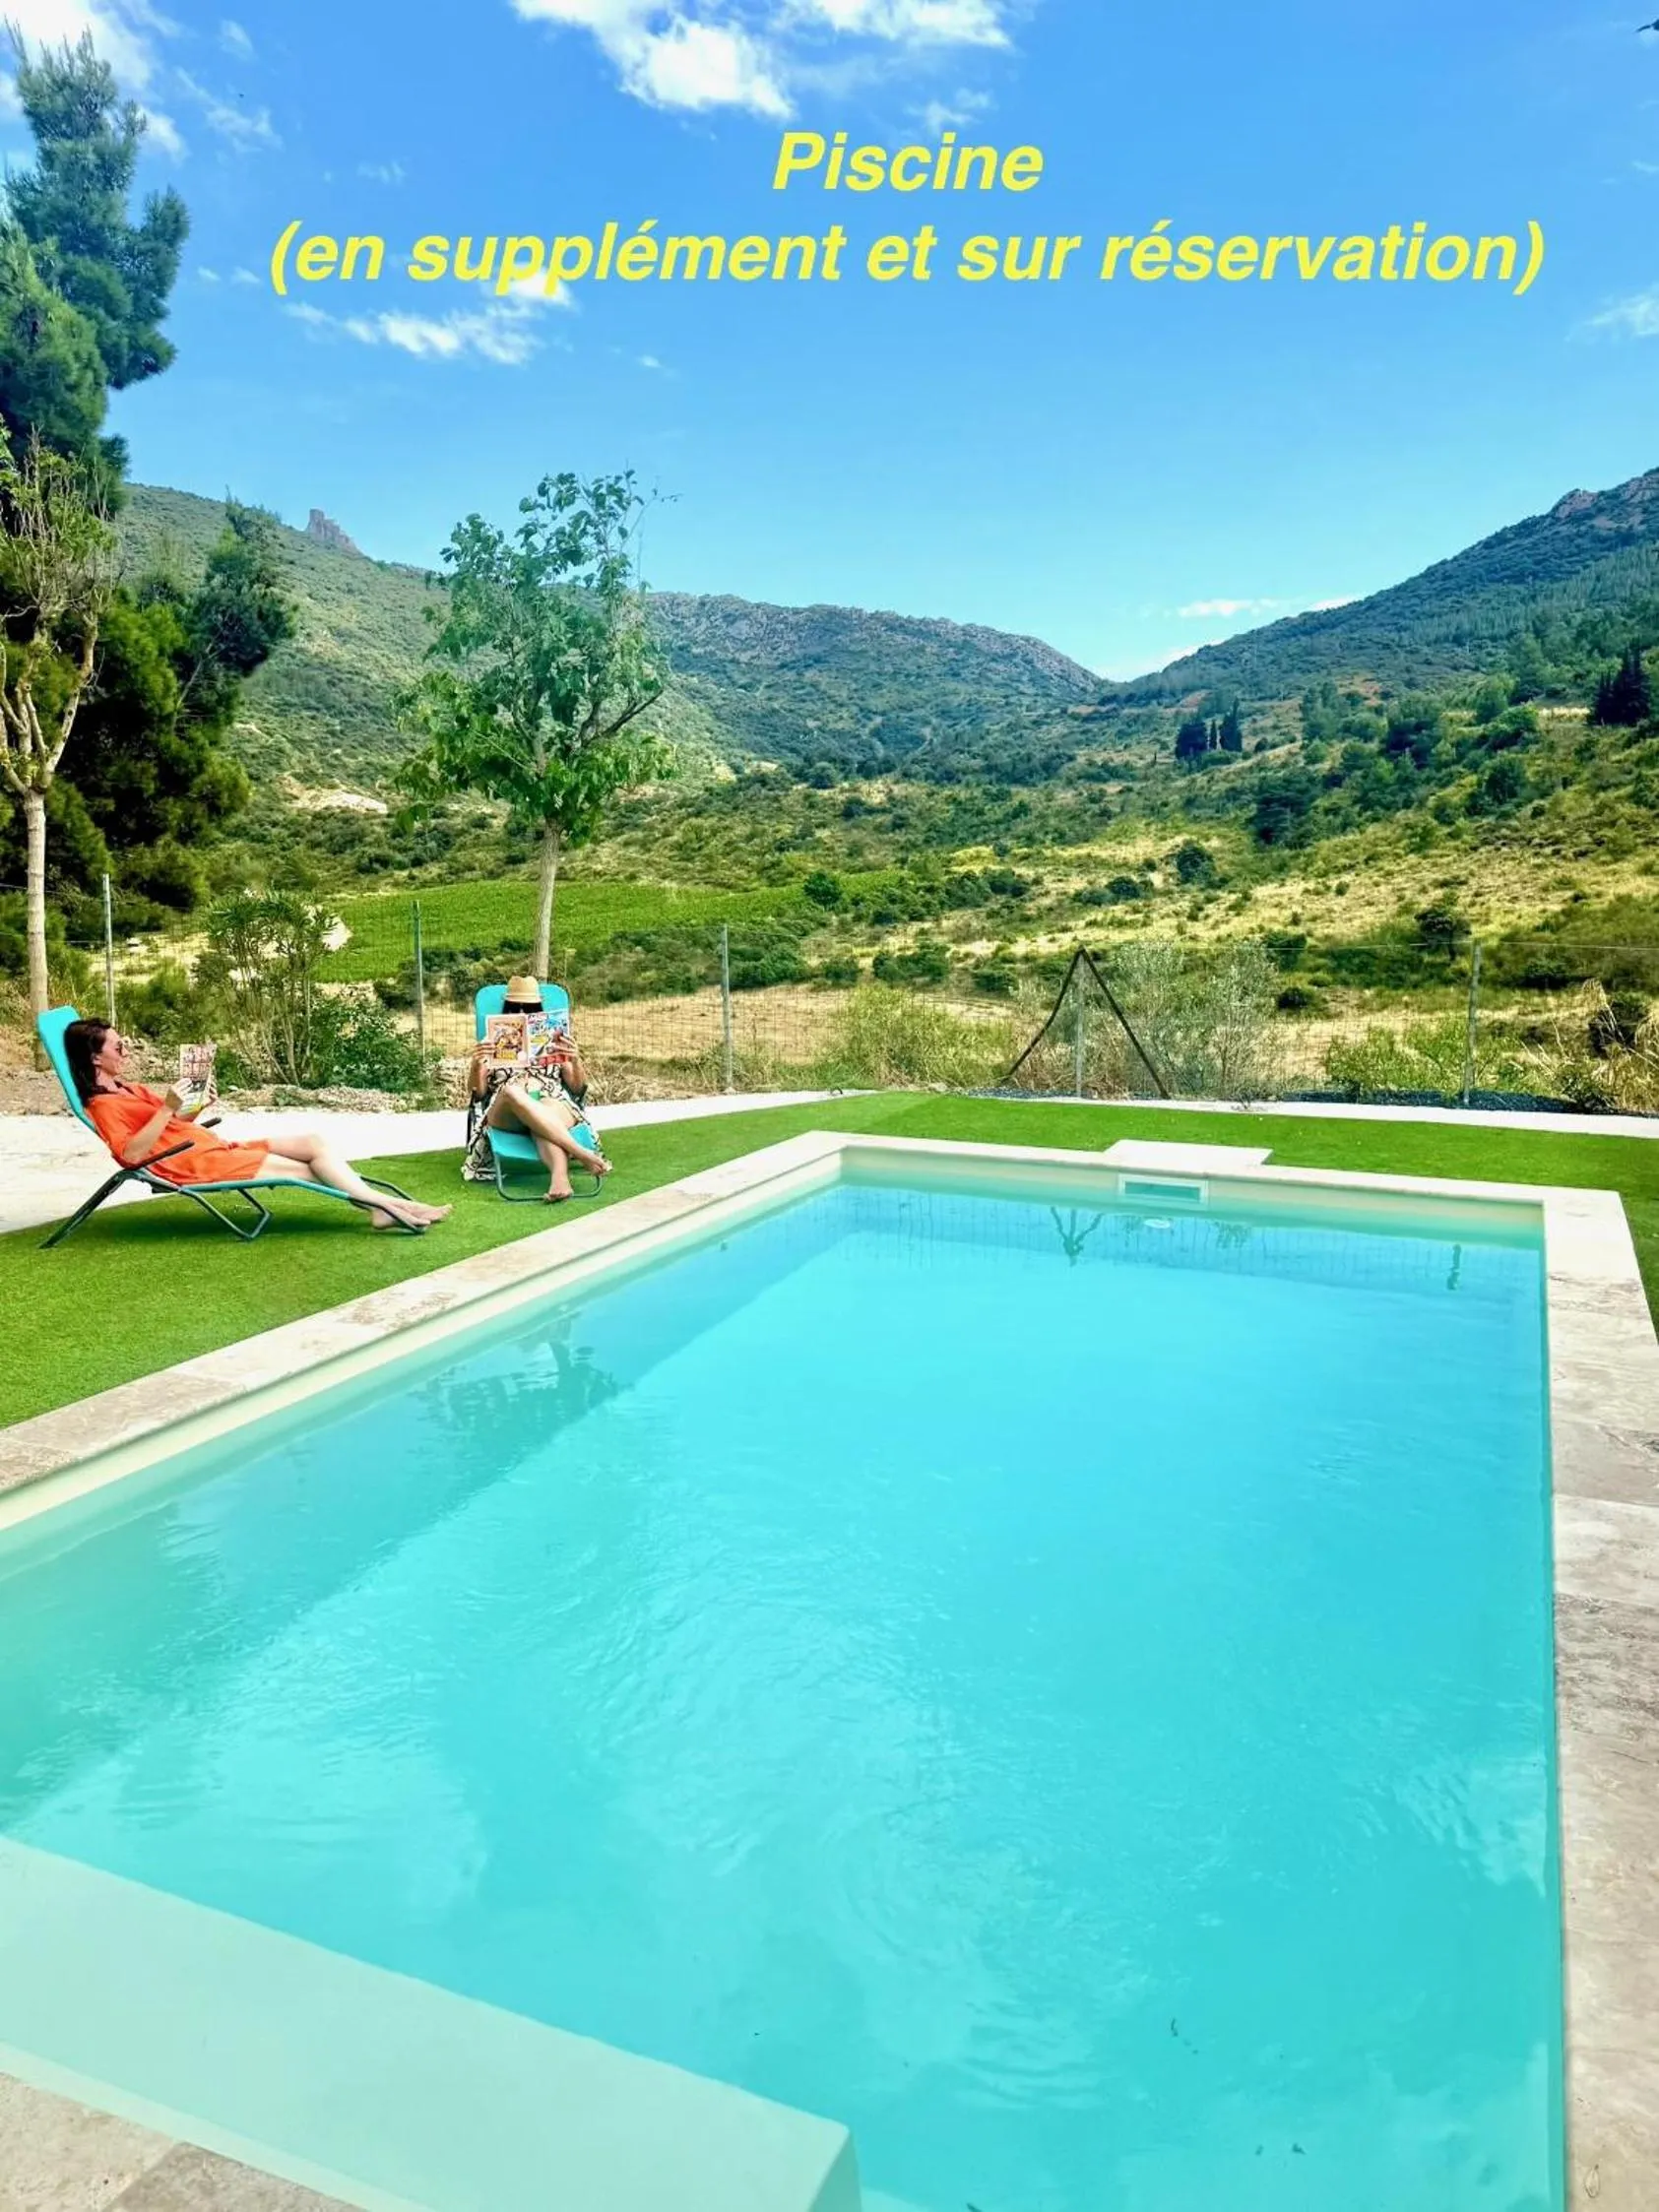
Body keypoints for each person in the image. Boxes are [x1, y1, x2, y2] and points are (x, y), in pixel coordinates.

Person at [65, 1020, 451, 1233]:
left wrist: (196, 1107)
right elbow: (131, 1155)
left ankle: (383, 1209)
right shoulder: (102, 1104)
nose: (126, 1051)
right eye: (118, 1047)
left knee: (313, 1142)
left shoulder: (126, 1087)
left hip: (207, 1147)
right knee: (306, 1170)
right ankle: (388, 1208)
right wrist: (167, 1107)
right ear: (95, 1059)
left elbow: (171, 1126)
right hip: (191, 1164)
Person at [468, 975, 610, 1204]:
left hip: (550, 1099)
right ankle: (581, 1152)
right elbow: (478, 1094)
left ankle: (560, 1179)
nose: (523, 1012)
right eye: (516, 1007)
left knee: (542, 1112)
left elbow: (576, 1088)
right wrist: (477, 1064)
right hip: (507, 1109)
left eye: (530, 1007)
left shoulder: (555, 1037)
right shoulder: (492, 1039)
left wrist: (575, 1059)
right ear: (508, 1008)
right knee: (513, 1092)